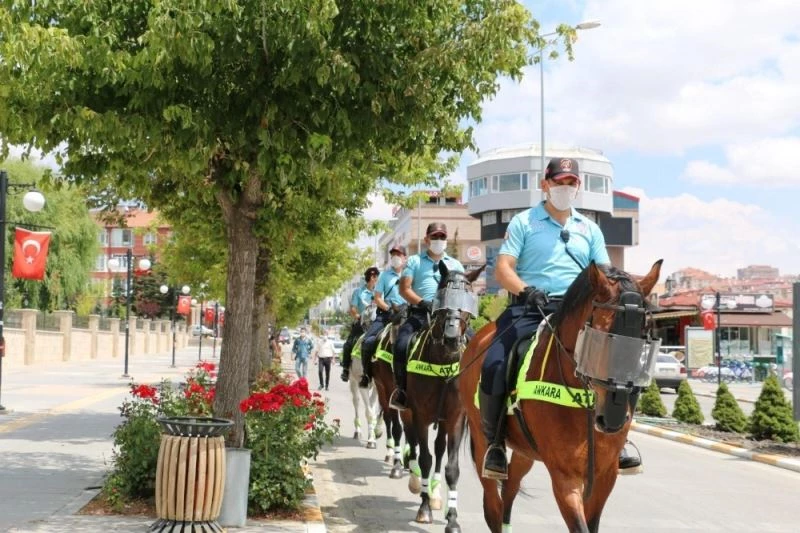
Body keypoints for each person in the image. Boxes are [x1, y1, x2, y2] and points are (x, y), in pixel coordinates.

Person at [479, 157, 642, 480]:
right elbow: (503, 268)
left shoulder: (589, 229)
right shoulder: (524, 222)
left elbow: (606, 273)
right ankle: (495, 443)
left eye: (570, 183)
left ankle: (619, 436)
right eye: (559, 182)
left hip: (579, 312)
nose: (564, 188)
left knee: (625, 364)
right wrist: (525, 291)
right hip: (531, 306)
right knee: (495, 362)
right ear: (545, 184)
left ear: (577, 187)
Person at [390, 222, 465, 410]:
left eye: (442, 237)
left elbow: (464, 293)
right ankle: (402, 391)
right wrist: (423, 302)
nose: (438, 240)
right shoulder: (414, 261)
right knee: (401, 345)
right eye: (434, 237)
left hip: (450, 317)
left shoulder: (456, 265)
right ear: (426, 239)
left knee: (476, 345)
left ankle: (472, 392)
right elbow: (404, 289)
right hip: (420, 315)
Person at [358, 245, 409, 388]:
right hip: (387, 314)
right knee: (367, 341)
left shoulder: (411, 273)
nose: (395, 258)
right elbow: (377, 298)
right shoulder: (385, 276)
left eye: (398, 254)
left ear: (405, 257)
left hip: (409, 314)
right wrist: (388, 308)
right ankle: (366, 375)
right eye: (393, 255)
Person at [339, 267, 380, 382]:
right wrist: (358, 317)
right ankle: (346, 369)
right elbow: (353, 308)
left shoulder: (380, 291)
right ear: (369, 277)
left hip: (377, 322)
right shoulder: (358, 292)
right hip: (362, 323)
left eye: (376, 276)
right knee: (349, 343)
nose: (374, 278)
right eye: (373, 276)